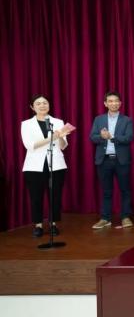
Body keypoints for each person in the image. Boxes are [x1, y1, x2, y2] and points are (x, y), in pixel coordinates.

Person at [21, 94, 71, 237]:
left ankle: (53, 224)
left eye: (45, 103)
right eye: (38, 103)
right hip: (34, 165)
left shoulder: (58, 122)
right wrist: (51, 137)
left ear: (49, 105)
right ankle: (38, 225)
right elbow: (30, 145)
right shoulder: (26, 124)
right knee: (36, 196)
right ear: (32, 107)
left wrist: (60, 137)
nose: (42, 105)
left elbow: (63, 146)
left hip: (56, 164)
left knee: (55, 195)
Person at [89, 91, 134, 229]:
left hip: (122, 160)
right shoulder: (99, 119)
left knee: (125, 190)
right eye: (110, 101)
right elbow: (92, 137)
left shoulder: (127, 120)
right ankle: (105, 218)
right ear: (105, 103)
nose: (113, 103)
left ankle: (125, 217)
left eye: (116, 101)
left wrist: (112, 137)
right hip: (104, 160)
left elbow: (129, 138)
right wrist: (101, 137)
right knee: (106, 191)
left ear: (120, 103)